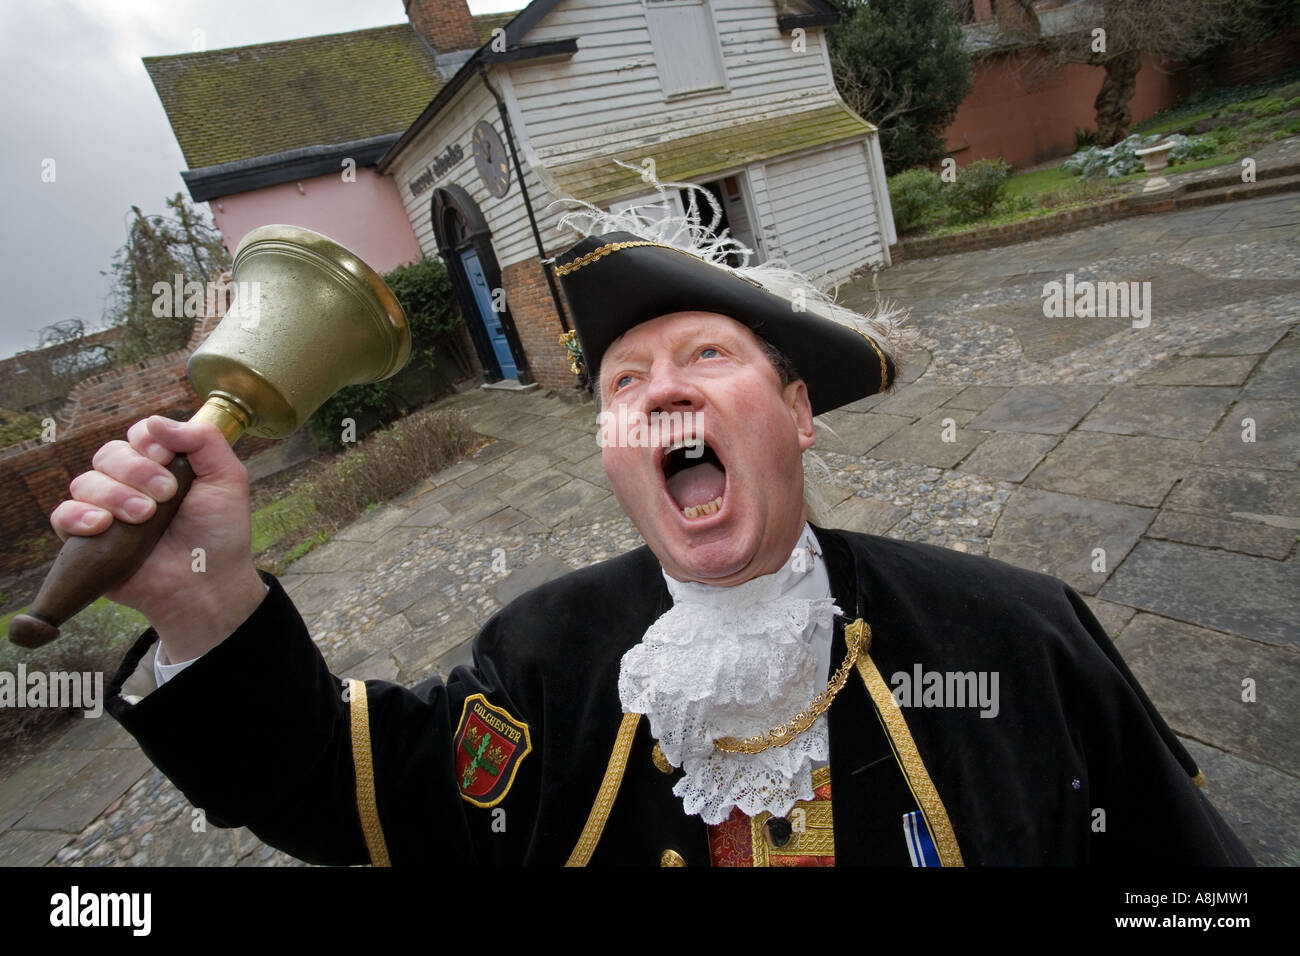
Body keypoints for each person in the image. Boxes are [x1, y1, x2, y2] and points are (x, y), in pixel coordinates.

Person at [48, 195, 1252, 867]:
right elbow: (336, 791)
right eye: (626, 383)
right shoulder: (540, 656)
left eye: (707, 358)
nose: (660, 393)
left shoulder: (1017, 630)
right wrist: (203, 591)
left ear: (796, 416)